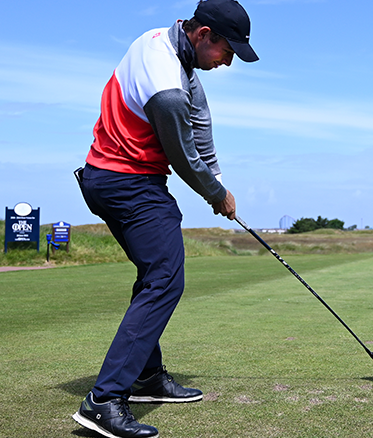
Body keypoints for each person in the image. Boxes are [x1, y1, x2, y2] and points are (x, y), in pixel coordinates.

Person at [72, 1, 258, 437]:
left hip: (108, 178)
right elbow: (182, 152)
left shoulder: (168, 47)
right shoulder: (166, 79)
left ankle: (145, 377)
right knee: (166, 279)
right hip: (127, 183)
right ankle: (104, 400)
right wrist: (217, 193)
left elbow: (201, 124)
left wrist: (218, 180)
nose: (228, 60)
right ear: (203, 33)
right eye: (227, 50)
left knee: (154, 272)